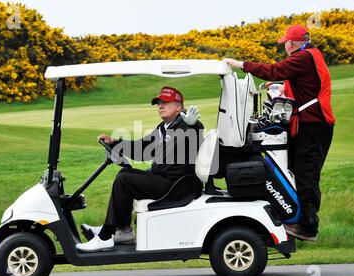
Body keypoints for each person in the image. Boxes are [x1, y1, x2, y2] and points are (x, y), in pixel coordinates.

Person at [223, 25, 335, 241]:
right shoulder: (311, 55)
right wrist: (280, 86)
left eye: (285, 42)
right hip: (311, 125)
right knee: (297, 171)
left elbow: (274, 69)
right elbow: (303, 84)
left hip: (313, 126)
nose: (284, 45)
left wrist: (241, 65)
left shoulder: (302, 58)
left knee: (306, 175)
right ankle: (295, 217)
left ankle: (308, 227)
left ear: (291, 44)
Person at [77, 86, 204, 252]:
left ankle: (106, 236)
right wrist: (114, 143)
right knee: (125, 175)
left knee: (124, 179)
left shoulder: (186, 126)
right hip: (164, 181)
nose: (160, 106)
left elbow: (196, 134)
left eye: (166, 103)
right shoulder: (163, 128)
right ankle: (123, 231)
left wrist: (193, 125)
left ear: (179, 107)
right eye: (159, 103)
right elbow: (142, 148)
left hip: (176, 186)